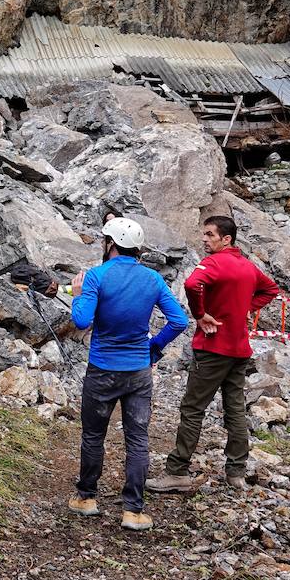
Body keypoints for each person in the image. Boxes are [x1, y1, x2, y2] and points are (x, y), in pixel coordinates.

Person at [68, 217, 189, 531]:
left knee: (94, 435)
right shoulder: (152, 279)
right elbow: (178, 321)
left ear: (110, 243)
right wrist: (153, 348)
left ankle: (87, 498)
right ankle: (133, 511)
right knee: (138, 439)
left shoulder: (96, 276)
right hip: (138, 371)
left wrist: (79, 293)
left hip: (102, 369)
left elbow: (81, 321)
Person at [146, 215, 280, 493]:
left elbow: (191, 284)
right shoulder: (247, 266)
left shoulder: (213, 263)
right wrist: (245, 308)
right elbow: (271, 289)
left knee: (193, 408)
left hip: (213, 346)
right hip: (239, 349)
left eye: (210, 235)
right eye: (204, 234)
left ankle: (177, 471)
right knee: (235, 409)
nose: (205, 240)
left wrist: (201, 313)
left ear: (226, 239)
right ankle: (236, 472)